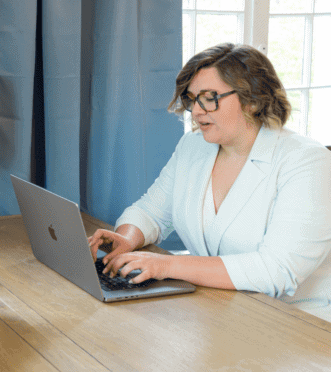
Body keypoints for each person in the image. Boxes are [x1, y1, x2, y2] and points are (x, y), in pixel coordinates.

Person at [88, 43, 331, 322]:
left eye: (210, 97)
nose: (197, 111)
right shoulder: (193, 147)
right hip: (222, 309)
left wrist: (167, 265)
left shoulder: (307, 161)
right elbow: (150, 212)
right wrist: (128, 238)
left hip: (299, 323)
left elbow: (276, 271)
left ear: (253, 100)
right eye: (192, 99)